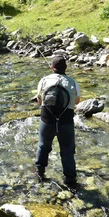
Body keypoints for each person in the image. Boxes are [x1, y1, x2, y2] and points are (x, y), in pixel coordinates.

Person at [35, 55, 80, 187]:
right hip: (66, 123)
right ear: (66, 68)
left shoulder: (43, 80)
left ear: (51, 68)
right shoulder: (73, 83)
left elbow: (39, 100)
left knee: (43, 146)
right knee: (67, 151)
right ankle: (70, 180)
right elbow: (77, 102)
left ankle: (40, 173)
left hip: (46, 121)